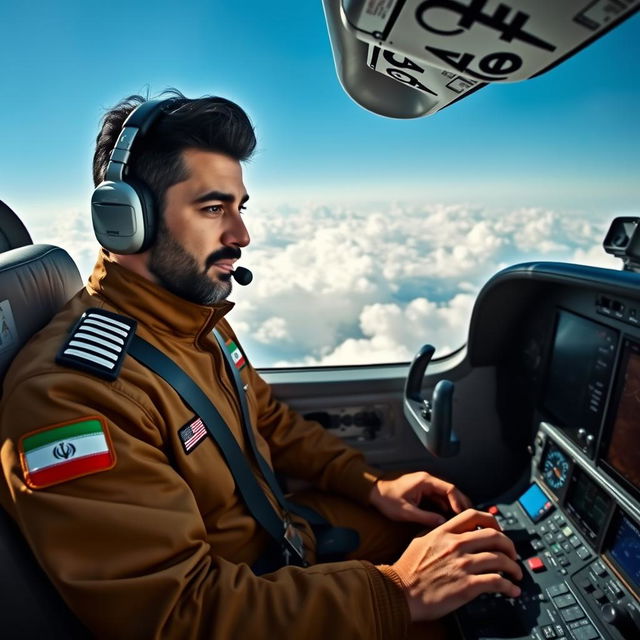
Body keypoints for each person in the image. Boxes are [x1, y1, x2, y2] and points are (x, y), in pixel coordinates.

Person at [0, 91, 521, 639]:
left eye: (239, 208)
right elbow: (178, 615)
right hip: (238, 601)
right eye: (212, 208)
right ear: (125, 220)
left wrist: (370, 485)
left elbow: (267, 419)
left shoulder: (195, 320)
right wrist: (400, 592)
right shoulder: (70, 399)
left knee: (459, 538)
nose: (241, 235)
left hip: (285, 543)